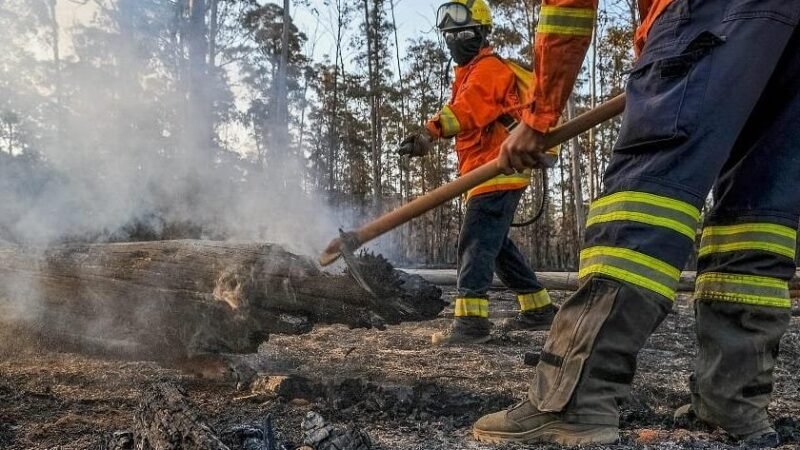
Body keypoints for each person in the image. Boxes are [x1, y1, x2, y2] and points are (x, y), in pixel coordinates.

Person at [471, 0, 800, 446]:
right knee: (756, 217)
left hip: (712, 13)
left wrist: (539, 112)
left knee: (644, 199)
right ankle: (734, 401)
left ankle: (572, 401)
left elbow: (567, 7)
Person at [398, 0, 558, 346]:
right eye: (450, 36)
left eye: (464, 34)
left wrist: (429, 132)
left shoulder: (488, 69)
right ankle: (539, 310)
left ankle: (471, 324)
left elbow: (468, 110)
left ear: (483, 33)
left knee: (474, 242)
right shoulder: (468, 73)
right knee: (495, 245)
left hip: (499, 169)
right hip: (486, 171)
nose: (456, 42)